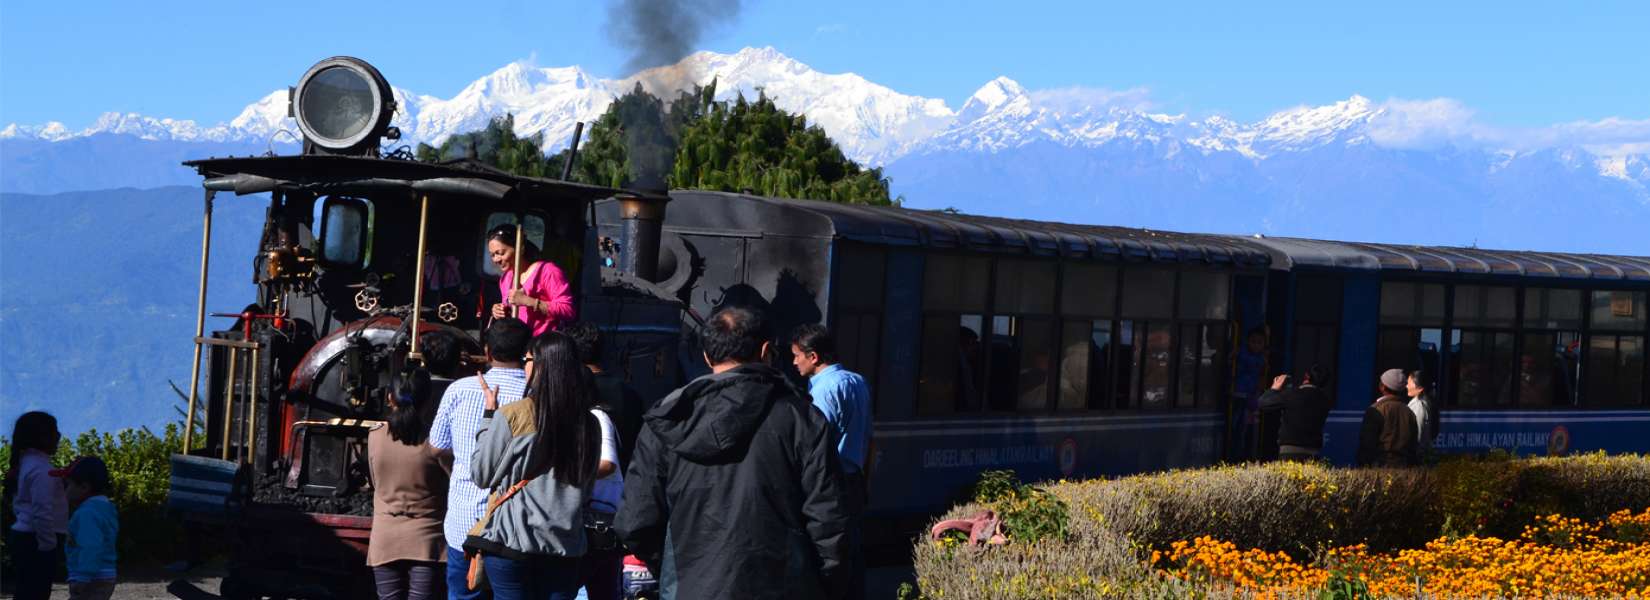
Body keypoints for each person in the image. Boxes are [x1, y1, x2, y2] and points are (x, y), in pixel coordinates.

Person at [617, 307, 851, 600]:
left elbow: (636, 520)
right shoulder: (803, 419)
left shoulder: (667, 418)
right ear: (766, 351)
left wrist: (676, 568)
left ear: (706, 356)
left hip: (690, 588)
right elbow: (829, 521)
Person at [467, 332, 609, 600]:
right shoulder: (589, 424)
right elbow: (587, 487)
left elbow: (481, 474)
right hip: (564, 547)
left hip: (512, 542)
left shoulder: (514, 414)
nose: (524, 365)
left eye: (527, 359)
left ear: (540, 365)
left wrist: (488, 417)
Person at [429, 318, 533, 600]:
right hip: (516, 527)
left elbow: (437, 447)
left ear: (487, 352)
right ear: (527, 353)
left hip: (463, 519)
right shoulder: (535, 397)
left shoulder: (459, 390)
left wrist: (456, 472)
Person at [790, 323, 872, 600]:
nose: (793, 362)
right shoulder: (857, 381)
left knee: (828, 558)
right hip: (855, 477)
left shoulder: (823, 391)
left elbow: (815, 443)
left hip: (832, 483)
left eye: (797, 355)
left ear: (813, 357)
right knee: (854, 554)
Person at [370, 364, 455, 600]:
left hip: (385, 536)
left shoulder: (374, 436)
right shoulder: (436, 442)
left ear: (390, 397)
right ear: (428, 399)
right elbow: (452, 481)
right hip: (427, 540)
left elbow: (375, 480)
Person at [564, 321, 636, 600]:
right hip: (616, 505)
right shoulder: (628, 394)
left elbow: (608, 463)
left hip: (588, 509)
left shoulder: (591, 410)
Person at [4, 411, 67, 600]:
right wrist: (48, 545)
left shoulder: (26, 464)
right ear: (41, 437)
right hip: (37, 540)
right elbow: (42, 510)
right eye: (54, 431)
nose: (59, 436)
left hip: (25, 537)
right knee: (36, 593)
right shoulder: (42, 470)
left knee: (26, 591)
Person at [486, 224, 575, 336]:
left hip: (542, 346)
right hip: (517, 344)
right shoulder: (506, 279)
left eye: (500, 253)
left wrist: (529, 301)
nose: (496, 259)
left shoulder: (547, 271)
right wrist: (500, 311)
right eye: (492, 255)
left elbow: (568, 310)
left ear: (520, 248)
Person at [59, 456, 118, 600]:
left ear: (84, 487)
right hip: (104, 573)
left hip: (92, 577)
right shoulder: (105, 508)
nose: (65, 490)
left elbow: (91, 545)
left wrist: (82, 576)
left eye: (68, 485)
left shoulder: (87, 513)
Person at [1257, 365, 1334, 462]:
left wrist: (1275, 388)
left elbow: (1263, 403)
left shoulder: (1292, 394)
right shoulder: (1325, 401)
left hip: (1290, 451)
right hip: (1313, 452)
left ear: (1306, 376)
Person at [1357, 369, 1420, 468]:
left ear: (1382, 387)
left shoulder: (1375, 410)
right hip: (1404, 468)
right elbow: (1413, 446)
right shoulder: (1409, 412)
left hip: (1380, 468)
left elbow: (1367, 445)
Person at [1230, 329, 1268, 461]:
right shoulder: (1241, 353)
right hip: (1239, 395)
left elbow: (1261, 377)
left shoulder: (1261, 359)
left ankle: (1248, 454)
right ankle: (1237, 454)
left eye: (1259, 343)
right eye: (1253, 342)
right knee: (1238, 426)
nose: (1256, 345)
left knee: (1251, 427)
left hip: (1252, 397)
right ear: (1247, 342)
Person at [1406, 370, 1440, 454]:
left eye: (1409, 383)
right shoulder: (1424, 403)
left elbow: (1418, 435)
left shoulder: (1419, 406)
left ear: (1420, 388)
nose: (1406, 386)